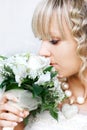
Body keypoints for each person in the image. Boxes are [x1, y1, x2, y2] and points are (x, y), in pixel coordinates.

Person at [0, 0, 87, 130]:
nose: (42, 52)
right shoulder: (35, 94)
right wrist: (13, 125)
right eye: (42, 40)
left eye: (54, 41)